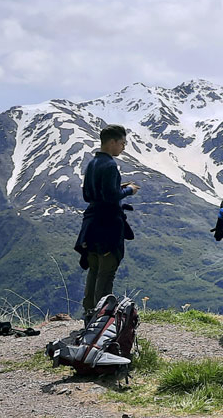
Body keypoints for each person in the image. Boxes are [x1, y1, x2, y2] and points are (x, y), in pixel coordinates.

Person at [74, 124, 140, 322]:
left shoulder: (93, 163)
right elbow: (111, 196)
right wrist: (129, 191)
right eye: (122, 143)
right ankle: (102, 315)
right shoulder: (111, 165)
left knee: (93, 268)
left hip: (91, 223)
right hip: (108, 225)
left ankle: (88, 311)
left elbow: (89, 194)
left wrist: (119, 186)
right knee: (106, 271)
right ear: (112, 142)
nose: (123, 147)